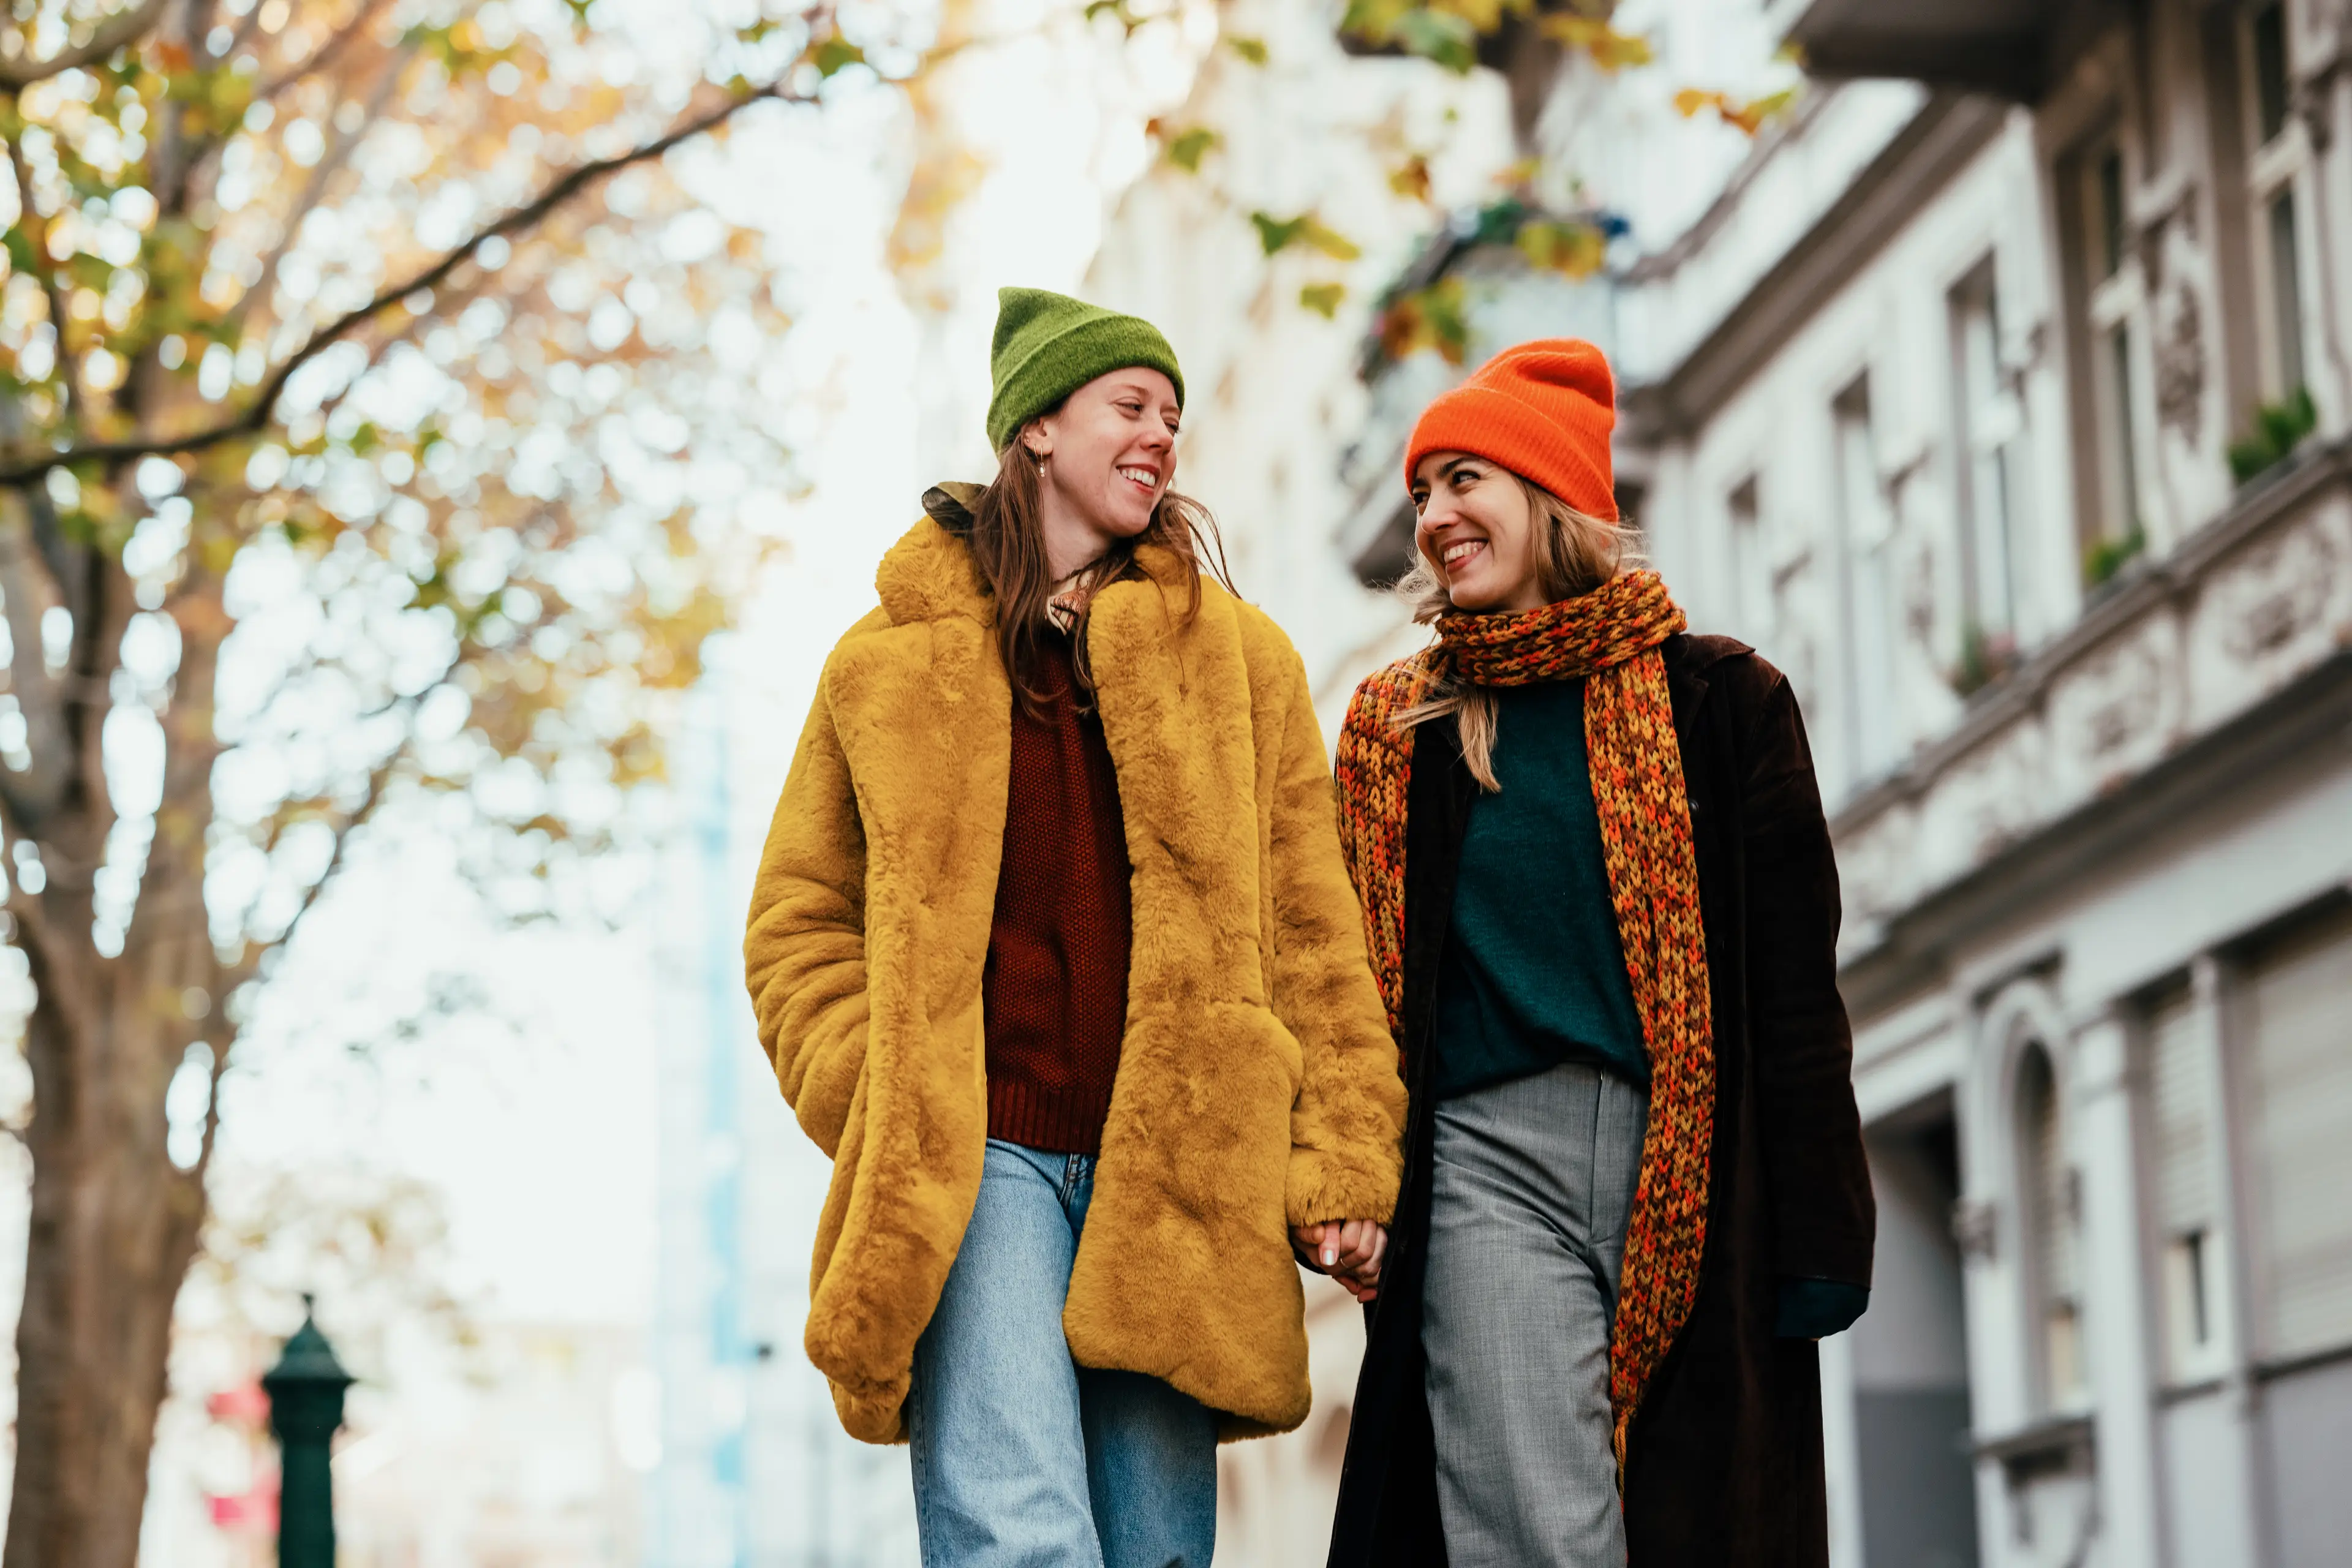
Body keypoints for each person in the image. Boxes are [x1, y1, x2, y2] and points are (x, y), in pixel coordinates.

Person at [744, 287, 1407, 1568]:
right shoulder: (882, 667)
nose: (1160, 434)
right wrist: (880, 1089)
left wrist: (1337, 1160)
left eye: (1172, 414)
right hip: (978, 1157)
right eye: (1130, 406)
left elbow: (1316, 936)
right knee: (1017, 1535)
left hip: (1180, 1167)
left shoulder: (1243, 662)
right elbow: (798, 920)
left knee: (1157, 1547)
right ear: (1038, 429)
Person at [1322, 339, 1875, 1567]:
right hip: (1482, 1169)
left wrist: (1824, 1235)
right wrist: (1338, 1181)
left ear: (1549, 490)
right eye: (1422, 494)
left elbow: (1795, 993)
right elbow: (1344, 995)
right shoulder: (1395, 734)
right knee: (1539, 1534)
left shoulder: (1723, 699)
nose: (1436, 517)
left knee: (1701, 1522)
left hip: (1693, 1163)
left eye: (1465, 479)